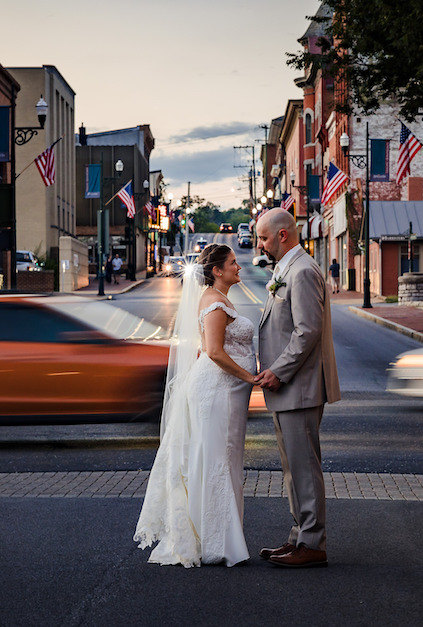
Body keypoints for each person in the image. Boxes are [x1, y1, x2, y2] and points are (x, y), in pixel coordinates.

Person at [135, 244, 257, 567]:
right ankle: (219, 542)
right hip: (217, 392)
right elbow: (215, 352)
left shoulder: (218, 299)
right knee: (218, 460)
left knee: (220, 459)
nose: (238, 268)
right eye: (233, 263)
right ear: (217, 271)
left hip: (224, 391)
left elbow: (208, 348)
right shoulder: (215, 302)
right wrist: (251, 378)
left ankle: (215, 534)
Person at [254, 208, 341, 569]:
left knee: (304, 467)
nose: (260, 243)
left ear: (282, 236)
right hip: (288, 389)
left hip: (299, 386)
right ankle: (299, 537)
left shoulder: (302, 271)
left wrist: (278, 371)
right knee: (293, 468)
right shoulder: (286, 269)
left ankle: (312, 543)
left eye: (263, 237)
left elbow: (307, 331)